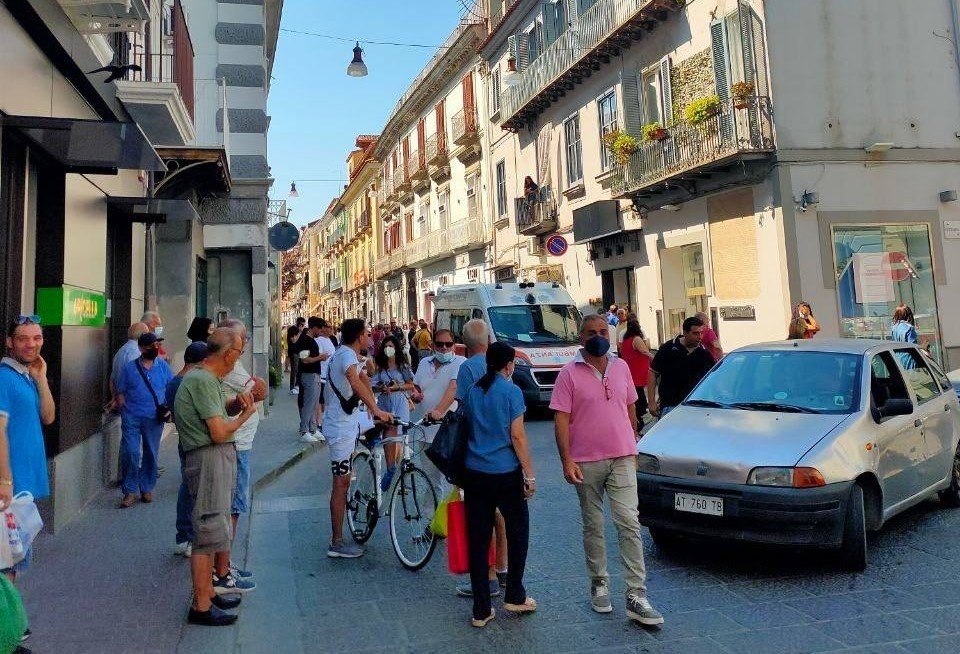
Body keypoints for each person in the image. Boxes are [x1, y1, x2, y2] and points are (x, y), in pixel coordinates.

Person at [550, 314, 663, 626]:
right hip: (585, 460)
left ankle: (636, 594)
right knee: (594, 524)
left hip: (622, 455)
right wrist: (566, 460)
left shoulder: (621, 366)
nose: (598, 337)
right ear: (580, 337)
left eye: (603, 331)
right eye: (591, 333)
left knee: (629, 521)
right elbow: (561, 419)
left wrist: (633, 441)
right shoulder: (568, 374)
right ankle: (599, 581)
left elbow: (630, 406)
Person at [174, 328, 259, 626]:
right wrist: (246, 415)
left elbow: (217, 410)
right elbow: (219, 431)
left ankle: (209, 592)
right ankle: (201, 605)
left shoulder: (206, 379)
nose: (238, 358)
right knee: (208, 530)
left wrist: (237, 404)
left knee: (215, 528)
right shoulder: (202, 380)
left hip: (213, 458)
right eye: (238, 352)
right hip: (208, 458)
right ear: (228, 354)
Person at [462, 341, 536, 628]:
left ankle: (481, 609)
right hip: (505, 473)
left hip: (474, 472)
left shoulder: (473, 390)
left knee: (478, 540)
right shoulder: (512, 392)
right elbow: (517, 436)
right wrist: (529, 474)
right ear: (508, 365)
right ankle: (514, 594)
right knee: (518, 532)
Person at [0, 315, 56, 645]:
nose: (31, 344)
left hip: (23, 491)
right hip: (9, 490)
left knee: (13, 563)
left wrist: (42, 378)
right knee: (5, 566)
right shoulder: (4, 378)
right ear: (10, 342)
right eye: (23, 338)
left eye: (36, 338)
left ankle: (10, 629)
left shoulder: (27, 376)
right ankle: (7, 637)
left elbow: (48, 416)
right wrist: (4, 483)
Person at [322, 319, 392, 559]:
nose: (369, 338)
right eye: (367, 334)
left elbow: (364, 378)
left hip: (349, 423)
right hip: (340, 428)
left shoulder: (346, 355)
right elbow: (354, 380)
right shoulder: (344, 357)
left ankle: (371, 473)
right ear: (360, 337)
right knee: (340, 483)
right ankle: (336, 542)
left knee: (346, 477)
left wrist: (373, 408)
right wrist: (376, 409)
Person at [454, 319, 509, 598]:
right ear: (488, 340)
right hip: (504, 451)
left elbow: (463, 409)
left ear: (464, 343)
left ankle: (488, 576)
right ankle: (503, 568)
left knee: (481, 515)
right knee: (500, 513)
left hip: (477, 452)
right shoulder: (500, 366)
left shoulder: (467, 368)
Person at [219, 319, 268, 580]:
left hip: (238, 444)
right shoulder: (232, 369)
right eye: (242, 340)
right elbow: (260, 390)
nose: (245, 343)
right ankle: (223, 570)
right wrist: (258, 385)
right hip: (237, 446)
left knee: (232, 508)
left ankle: (224, 566)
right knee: (233, 508)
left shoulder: (233, 367)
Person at [114, 332, 174, 508]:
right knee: (131, 452)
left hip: (154, 417)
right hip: (132, 416)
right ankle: (130, 490)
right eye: (151, 346)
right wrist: (122, 406)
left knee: (151, 453)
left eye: (157, 344)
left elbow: (171, 388)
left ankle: (147, 487)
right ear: (141, 349)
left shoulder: (162, 366)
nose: (155, 348)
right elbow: (120, 390)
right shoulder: (129, 368)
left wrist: (169, 408)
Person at [167, 341, 208, 558]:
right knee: (195, 489)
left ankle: (183, 535)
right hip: (195, 441)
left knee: (186, 485)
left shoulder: (173, 382)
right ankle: (191, 537)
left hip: (183, 439)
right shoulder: (191, 383)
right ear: (201, 362)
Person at [646, 316, 716, 418]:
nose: (700, 337)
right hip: (670, 406)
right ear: (685, 333)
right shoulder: (668, 348)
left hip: (696, 407)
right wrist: (651, 401)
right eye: (695, 333)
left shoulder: (705, 354)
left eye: (701, 333)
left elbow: (712, 381)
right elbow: (652, 373)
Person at [370, 334, 415, 491]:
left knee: (398, 436)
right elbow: (372, 385)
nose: (388, 349)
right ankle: (391, 469)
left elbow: (411, 385)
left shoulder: (403, 366)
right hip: (384, 402)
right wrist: (380, 387)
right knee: (388, 434)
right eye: (386, 346)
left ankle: (394, 472)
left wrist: (397, 387)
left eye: (391, 346)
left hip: (399, 402)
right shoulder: (381, 366)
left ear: (396, 348)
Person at [294, 317, 330, 443]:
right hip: (308, 375)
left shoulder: (311, 340)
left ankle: (313, 429)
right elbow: (304, 359)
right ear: (314, 327)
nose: (321, 332)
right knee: (308, 404)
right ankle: (304, 431)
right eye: (320, 330)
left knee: (314, 404)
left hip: (314, 374)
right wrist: (320, 358)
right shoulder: (305, 340)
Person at [619, 317, 653, 425]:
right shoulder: (636, 339)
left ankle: (638, 417)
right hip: (638, 371)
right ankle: (641, 417)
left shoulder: (625, 340)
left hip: (630, 370)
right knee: (639, 394)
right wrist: (655, 359)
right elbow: (646, 352)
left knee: (636, 394)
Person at [109, 322, 151, 407]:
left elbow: (112, 380)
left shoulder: (120, 351)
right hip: (133, 404)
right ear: (142, 336)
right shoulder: (137, 353)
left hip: (123, 403)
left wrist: (115, 398)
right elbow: (137, 381)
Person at [315, 319, 337, 432]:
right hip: (322, 375)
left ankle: (324, 422)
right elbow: (319, 355)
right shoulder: (318, 340)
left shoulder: (330, 340)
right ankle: (318, 423)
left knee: (325, 402)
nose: (331, 329)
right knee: (320, 401)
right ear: (323, 328)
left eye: (331, 326)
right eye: (328, 326)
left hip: (329, 376)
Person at [891, 304, 925, 369]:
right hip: (909, 360)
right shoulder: (909, 328)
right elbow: (913, 348)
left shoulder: (894, 328)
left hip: (898, 358)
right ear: (909, 315)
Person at [287, 317, 305, 395]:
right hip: (293, 352)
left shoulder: (302, 331)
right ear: (299, 324)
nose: (303, 326)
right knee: (294, 370)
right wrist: (299, 333)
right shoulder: (292, 329)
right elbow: (293, 340)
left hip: (300, 352)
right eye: (302, 325)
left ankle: (297, 386)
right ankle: (292, 387)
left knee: (299, 370)